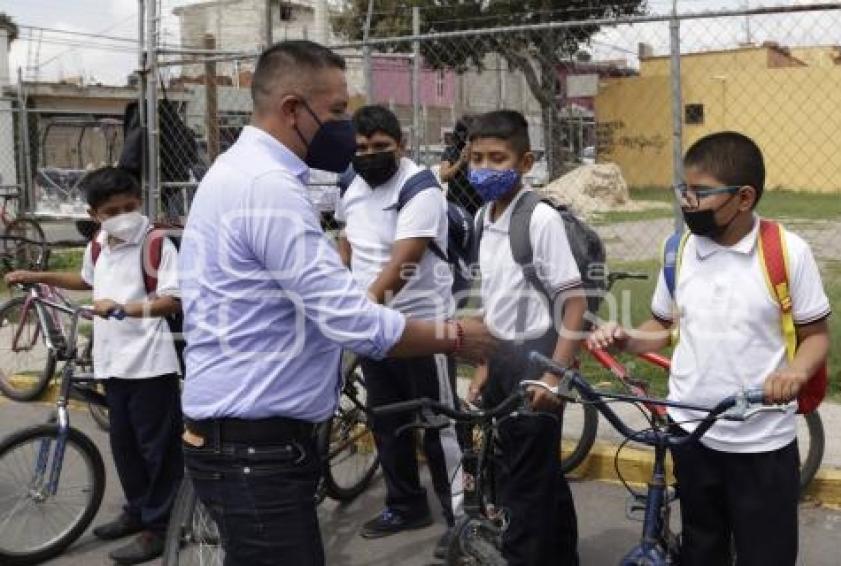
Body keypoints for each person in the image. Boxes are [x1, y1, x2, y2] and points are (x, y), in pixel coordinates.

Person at [177, 40, 494, 566]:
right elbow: (350, 318)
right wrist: (460, 336)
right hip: (257, 448)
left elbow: (380, 269)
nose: (348, 132)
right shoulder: (268, 187)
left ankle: (448, 508)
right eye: (338, 112)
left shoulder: (242, 172)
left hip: (243, 438)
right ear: (292, 109)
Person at [589, 132, 831, 566]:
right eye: (684, 189)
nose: (687, 201)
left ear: (743, 197)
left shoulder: (786, 252)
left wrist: (794, 374)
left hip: (761, 443)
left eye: (699, 193)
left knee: (767, 554)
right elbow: (662, 325)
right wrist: (627, 338)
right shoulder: (678, 250)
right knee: (703, 548)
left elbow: (816, 336)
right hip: (691, 432)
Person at [5, 166, 184, 565]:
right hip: (112, 362)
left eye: (130, 206)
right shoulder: (100, 244)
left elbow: (173, 299)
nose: (123, 214)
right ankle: (138, 512)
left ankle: (162, 524)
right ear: (94, 215)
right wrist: (38, 275)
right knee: (125, 447)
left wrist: (124, 309)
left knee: (157, 449)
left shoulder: (154, 243)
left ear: (140, 202)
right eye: (112, 210)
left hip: (150, 364)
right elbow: (87, 281)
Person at [336, 104, 462, 555]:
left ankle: (461, 515)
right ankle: (406, 504)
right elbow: (348, 239)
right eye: (362, 148)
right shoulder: (349, 182)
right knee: (387, 420)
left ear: (401, 144)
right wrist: (342, 288)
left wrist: (362, 308)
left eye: (380, 147)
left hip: (421, 325)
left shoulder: (420, 187)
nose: (369, 155)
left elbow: (403, 263)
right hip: (373, 324)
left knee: (438, 422)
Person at [465, 110, 584, 566]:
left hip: (539, 363)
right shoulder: (481, 218)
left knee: (523, 488)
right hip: (501, 358)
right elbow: (495, 300)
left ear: (525, 161)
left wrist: (553, 377)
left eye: (498, 158)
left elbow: (573, 301)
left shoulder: (538, 219)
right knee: (536, 476)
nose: (486, 168)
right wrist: (483, 364)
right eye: (477, 157)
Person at [440, 117, 482, 215]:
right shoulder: (450, 151)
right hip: (455, 205)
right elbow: (443, 176)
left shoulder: (480, 152)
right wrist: (461, 162)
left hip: (477, 205)